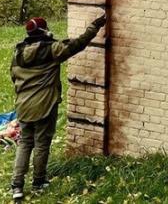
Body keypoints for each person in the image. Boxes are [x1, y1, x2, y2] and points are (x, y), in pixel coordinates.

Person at [9, 14, 105, 201]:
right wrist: (94, 26)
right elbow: (78, 44)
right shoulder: (52, 50)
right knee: (42, 144)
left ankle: (17, 186)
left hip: (23, 105)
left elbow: (13, 77)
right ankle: (38, 183)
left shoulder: (18, 53)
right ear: (44, 31)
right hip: (44, 105)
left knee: (25, 143)